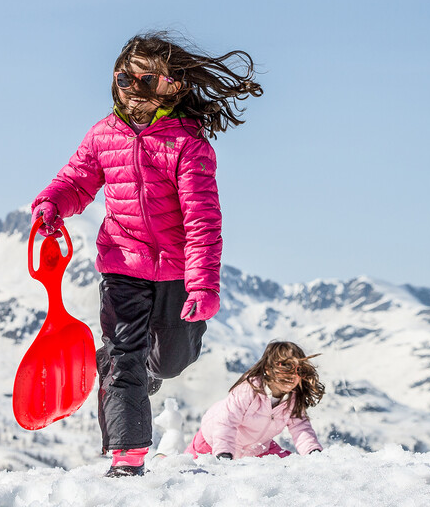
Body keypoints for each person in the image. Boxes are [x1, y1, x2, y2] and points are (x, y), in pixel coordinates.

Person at [30, 31, 263, 477]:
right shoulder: (103, 135)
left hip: (176, 271)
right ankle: (128, 455)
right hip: (122, 264)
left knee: (171, 361)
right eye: (125, 78)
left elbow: (202, 220)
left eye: (148, 80)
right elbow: (77, 180)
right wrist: (53, 203)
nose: (133, 88)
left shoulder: (188, 143)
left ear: (174, 85)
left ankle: (139, 367)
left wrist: (203, 286)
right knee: (125, 357)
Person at [185, 341, 325, 460]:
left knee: (290, 467)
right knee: (190, 469)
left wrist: (312, 451)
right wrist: (224, 452)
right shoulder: (249, 390)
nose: (292, 374)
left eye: (299, 369)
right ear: (268, 369)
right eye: (285, 367)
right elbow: (226, 421)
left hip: (257, 448)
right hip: (213, 441)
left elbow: (301, 428)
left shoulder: (293, 400)